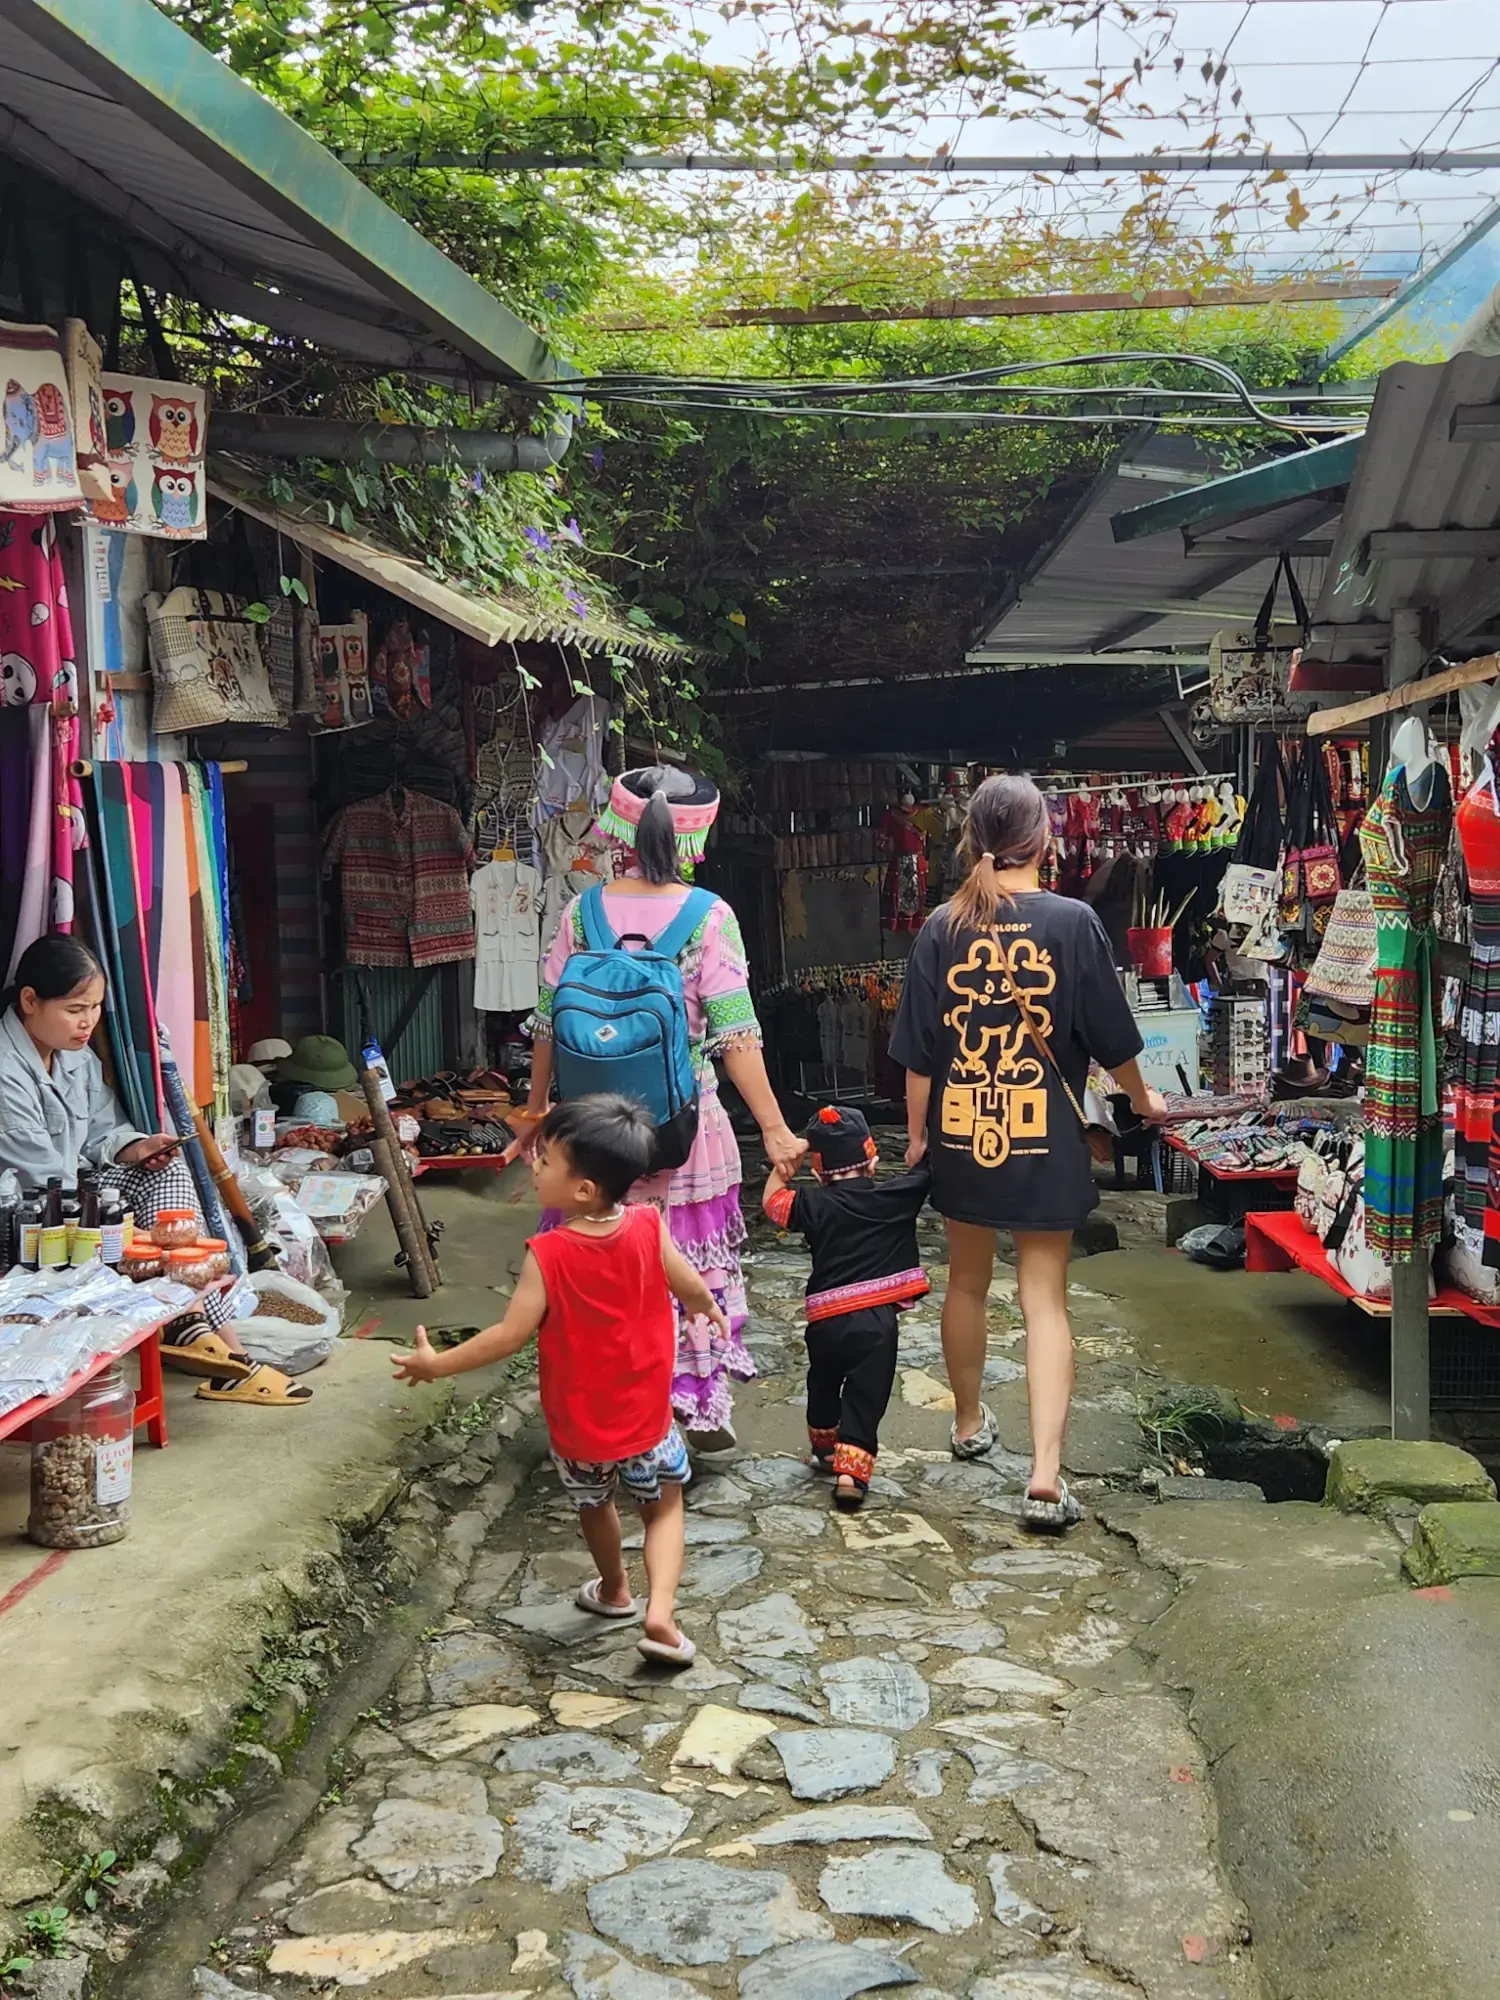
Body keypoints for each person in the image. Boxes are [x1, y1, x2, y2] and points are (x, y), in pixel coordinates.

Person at [889, 775, 1165, 1530]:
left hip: (962, 1128)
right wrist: (1145, 1101)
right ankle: (1044, 1476)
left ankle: (971, 1424)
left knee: (967, 1284)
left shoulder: (941, 927)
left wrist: (918, 1138)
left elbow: (917, 1055)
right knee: (1045, 1301)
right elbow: (1114, 1038)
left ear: (973, 839)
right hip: (1044, 1134)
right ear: (1046, 840)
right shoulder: (1074, 922)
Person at [524, 765, 802, 1452]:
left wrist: (536, 1114)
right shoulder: (709, 915)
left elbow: (546, 1023)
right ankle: (684, 1405)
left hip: (588, 1130)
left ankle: (608, 1410)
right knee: (682, 1263)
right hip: (683, 1127)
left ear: (618, 826)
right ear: (695, 835)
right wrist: (774, 1128)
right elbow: (736, 1034)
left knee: (599, 1265)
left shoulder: (581, 911)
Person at [394, 1095, 725, 1666]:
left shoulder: (547, 1255)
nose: (533, 1166)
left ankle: (616, 1590)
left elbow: (509, 1336)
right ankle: (661, 1614)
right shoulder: (649, 1225)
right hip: (646, 1419)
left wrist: (435, 1364)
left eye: (545, 1162)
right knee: (664, 1508)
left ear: (583, 1190)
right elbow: (688, 1282)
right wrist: (707, 1310)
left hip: (578, 1426)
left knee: (595, 1505)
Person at [0, 934, 311, 1407]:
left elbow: (103, 1132)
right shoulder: (5, 1071)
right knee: (134, 1233)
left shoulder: (75, 1057)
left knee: (167, 1175)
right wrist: (129, 1235)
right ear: (29, 1001)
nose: (88, 1022)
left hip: (69, 1196)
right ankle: (216, 1342)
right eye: (75, 1008)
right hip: (25, 1218)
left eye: (96, 1008)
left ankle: (209, 1335)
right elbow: (40, 1177)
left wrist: (139, 1148)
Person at [763, 1105, 931, 1509]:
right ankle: (850, 1474)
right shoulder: (896, 1196)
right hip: (875, 1323)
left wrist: (791, 1158)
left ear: (819, 1173)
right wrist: (919, 1144)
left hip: (825, 1321)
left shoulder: (812, 1204)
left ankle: (824, 1447)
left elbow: (772, 1202)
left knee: (823, 1380)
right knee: (865, 1394)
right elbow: (930, 1170)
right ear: (872, 1160)